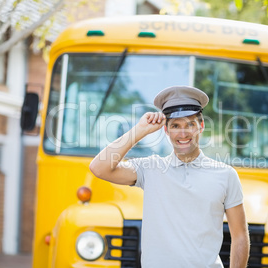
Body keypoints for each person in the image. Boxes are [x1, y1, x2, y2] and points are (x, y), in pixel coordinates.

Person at [89, 85, 250, 268]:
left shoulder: (226, 175)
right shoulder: (150, 168)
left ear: (201, 126)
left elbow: (240, 236)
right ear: (166, 130)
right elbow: (99, 168)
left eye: (190, 124)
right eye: (175, 126)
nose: (183, 133)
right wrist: (140, 130)